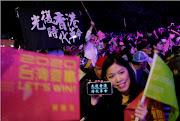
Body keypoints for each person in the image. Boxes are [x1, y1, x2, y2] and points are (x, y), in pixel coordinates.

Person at [86, 56, 147, 121]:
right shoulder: (106, 101)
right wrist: (94, 102)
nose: (118, 80)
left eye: (121, 72)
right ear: (106, 79)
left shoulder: (143, 96)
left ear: (128, 70)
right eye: (111, 76)